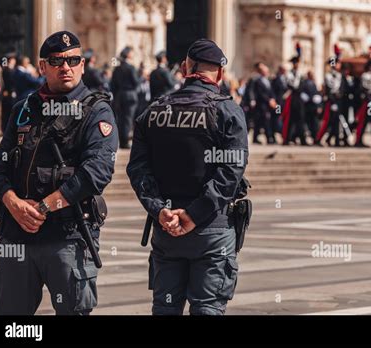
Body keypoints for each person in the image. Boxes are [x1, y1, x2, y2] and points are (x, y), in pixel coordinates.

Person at [0, 31, 118, 315]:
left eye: (73, 60)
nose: (65, 67)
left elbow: (97, 172)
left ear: (83, 65)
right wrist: (14, 203)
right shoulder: (24, 108)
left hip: (67, 236)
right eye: (56, 61)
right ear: (42, 66)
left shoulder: (96, 111)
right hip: (17, 236)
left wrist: (44, 207)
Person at [127, 38, 248, 315]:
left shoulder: (154, 111)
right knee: (207, 309)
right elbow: (230, 172)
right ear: (219, 73)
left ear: (184, 68)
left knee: (165, 309)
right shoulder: (227, 110)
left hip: (166, 229)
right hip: (211, 230)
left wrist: (160, 210)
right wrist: (194, 214)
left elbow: (137, 169)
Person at [111, 46, 140, 149]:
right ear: (128, 54)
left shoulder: (117, 68)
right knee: (128, 119)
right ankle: (125, 142)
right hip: (130, 94)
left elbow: (113, 84)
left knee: (121, 119)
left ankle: (121, 140)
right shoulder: (131, 68)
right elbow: (136, 82)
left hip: (119, 95)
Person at [253, 63, 277, 144]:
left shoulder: (268, 80)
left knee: (262, 121)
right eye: (265, 71)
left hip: (269, 104)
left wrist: (273, 99)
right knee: (264, 120)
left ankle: (259, 137)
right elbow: (260, 93)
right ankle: (269, 138)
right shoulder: (258, 81)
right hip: (262, 104)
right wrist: (269, 100)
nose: (267, 72)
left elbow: (271, 91)